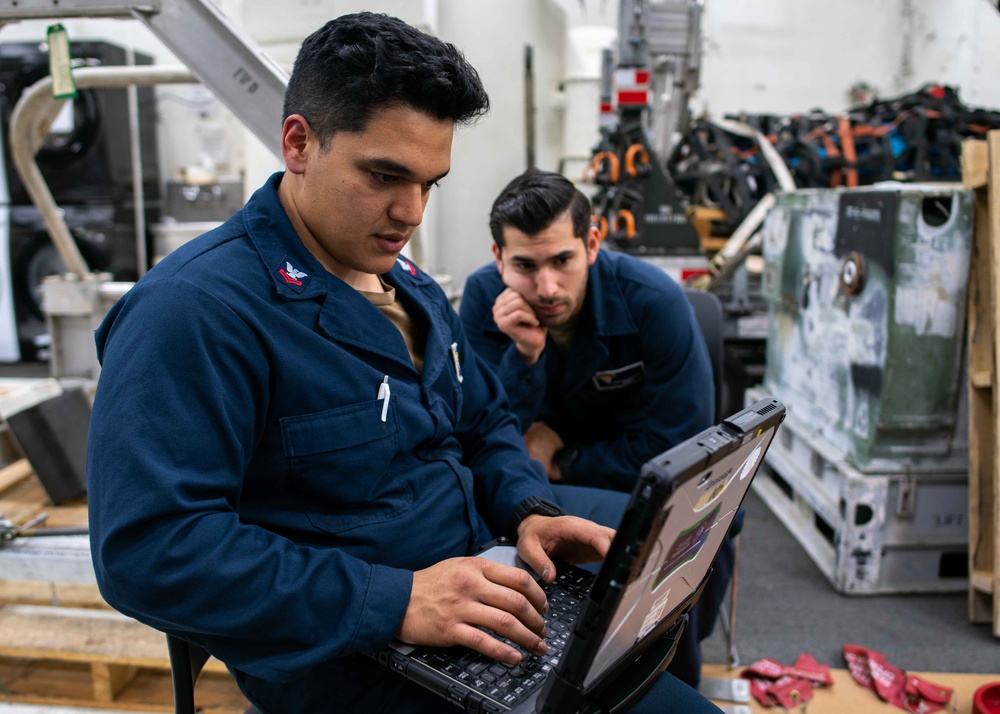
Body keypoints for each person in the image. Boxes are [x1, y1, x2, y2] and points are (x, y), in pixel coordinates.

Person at [86, 13, 723, 714]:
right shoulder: (194, 311)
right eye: (385, 175)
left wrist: (528, 509)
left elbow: (482, 422)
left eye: (430, 183)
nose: (410, 211)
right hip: (344, 648)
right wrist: (394, 600)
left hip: (476, 581)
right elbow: (149, 550)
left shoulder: (408, 287)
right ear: (298, 142)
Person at [459, 168, 734, 686]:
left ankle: (669, 681)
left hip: (634, 478)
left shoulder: (654, 300)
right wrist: (524, 355)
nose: (546, 287)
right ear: (498, 259)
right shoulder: (481, 301)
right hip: (532, 486)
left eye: (562, 260)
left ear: (591, 242)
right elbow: (483, 435)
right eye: (524, 265)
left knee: (701, 524)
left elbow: (686, 452)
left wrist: (563, 459)